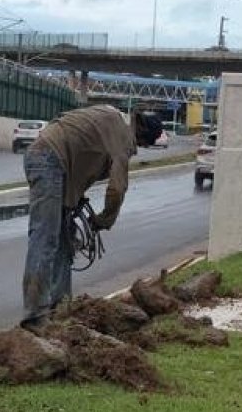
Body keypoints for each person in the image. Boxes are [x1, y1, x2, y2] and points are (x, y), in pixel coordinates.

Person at [20, 106, 164, 329]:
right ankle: (34, 316)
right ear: (142, 136)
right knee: (46, 239)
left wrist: (74, 197)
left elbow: (81, 149)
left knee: (63, 244)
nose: (138, 149)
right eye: (143, 145)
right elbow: (117, 189)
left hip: (52, 158)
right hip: (49, 159)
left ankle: (61, 308)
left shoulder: (113, 118)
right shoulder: (123, 139)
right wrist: (103, 220)